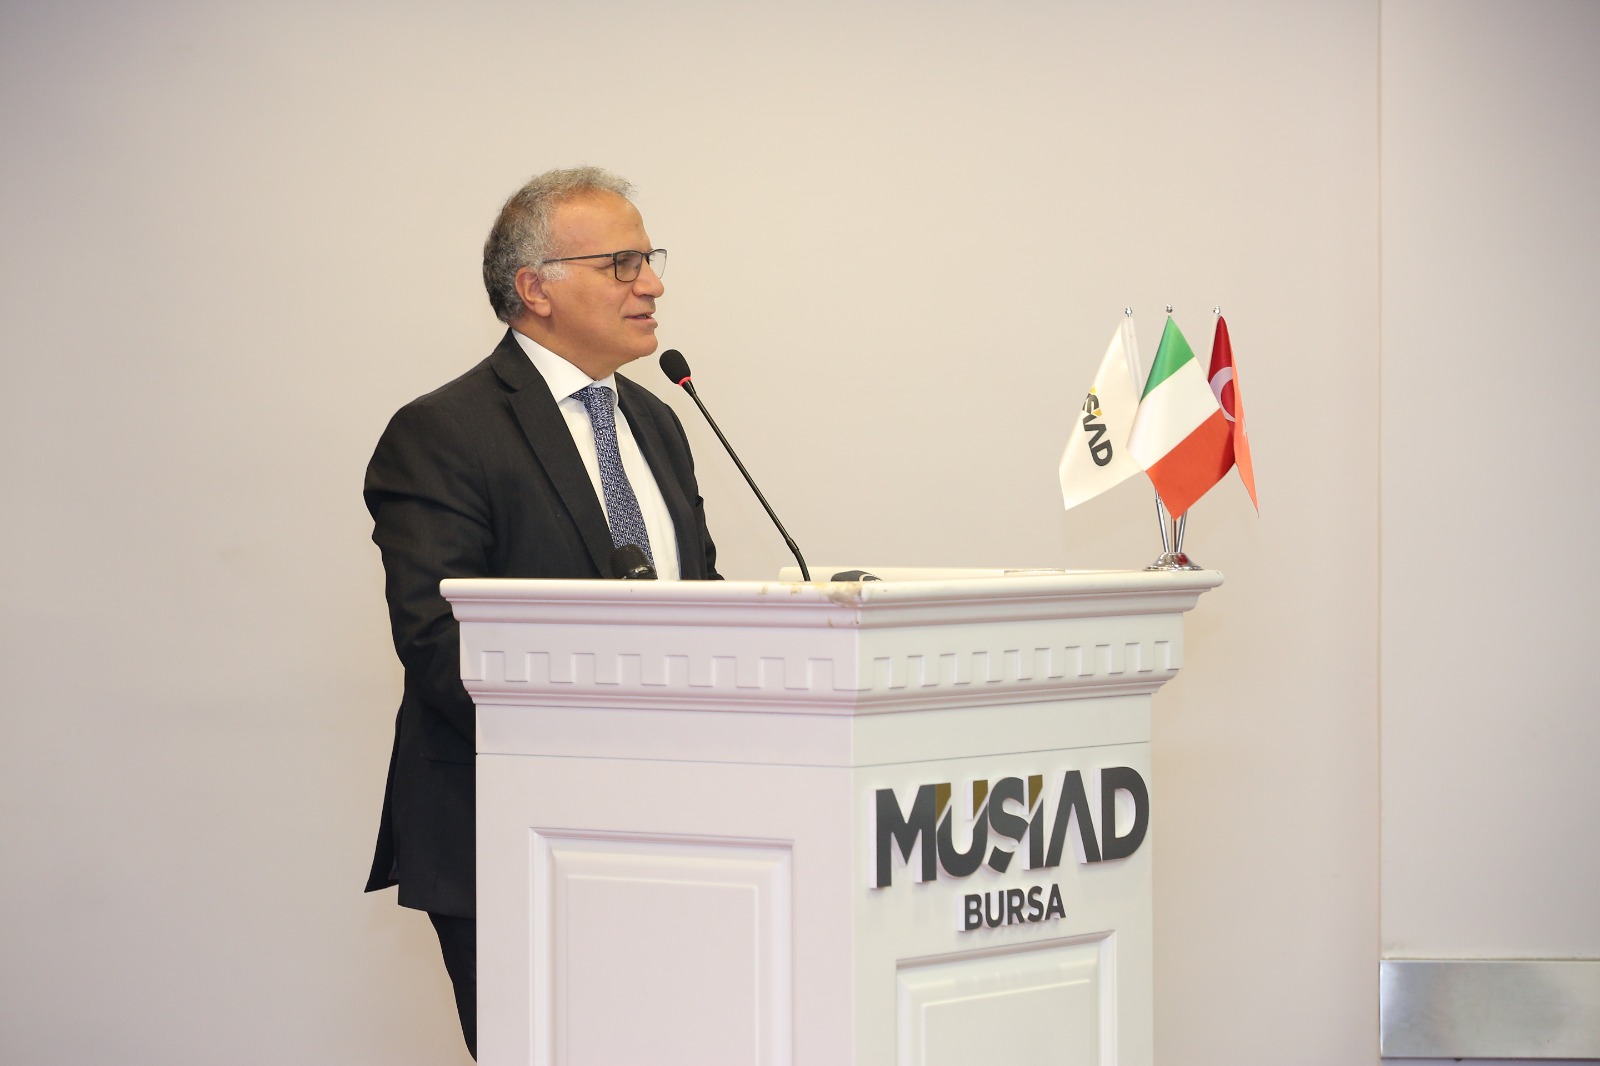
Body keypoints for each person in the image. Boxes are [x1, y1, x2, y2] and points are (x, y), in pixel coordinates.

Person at [362, 166, 721, 1059]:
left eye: (650, 259)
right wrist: (610, 749)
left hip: (674, 828)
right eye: (622, 263)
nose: (652, 284)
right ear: (535, 288)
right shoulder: (444, 433)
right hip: (514, 835)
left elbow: (703, 611)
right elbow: (442, 646)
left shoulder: (657, 421)